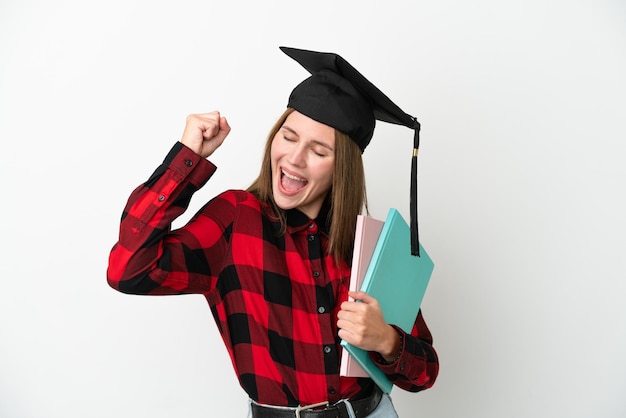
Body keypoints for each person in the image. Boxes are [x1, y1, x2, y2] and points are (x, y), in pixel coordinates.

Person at [107, 46, 439, 418]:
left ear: (341, 167)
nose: (294, 159)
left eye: (318, 150)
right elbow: (129, 271)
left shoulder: (371, 245)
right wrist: (187, 158)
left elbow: (425, 373)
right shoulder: (235, 220)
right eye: (289, 136)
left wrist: (387, 341)